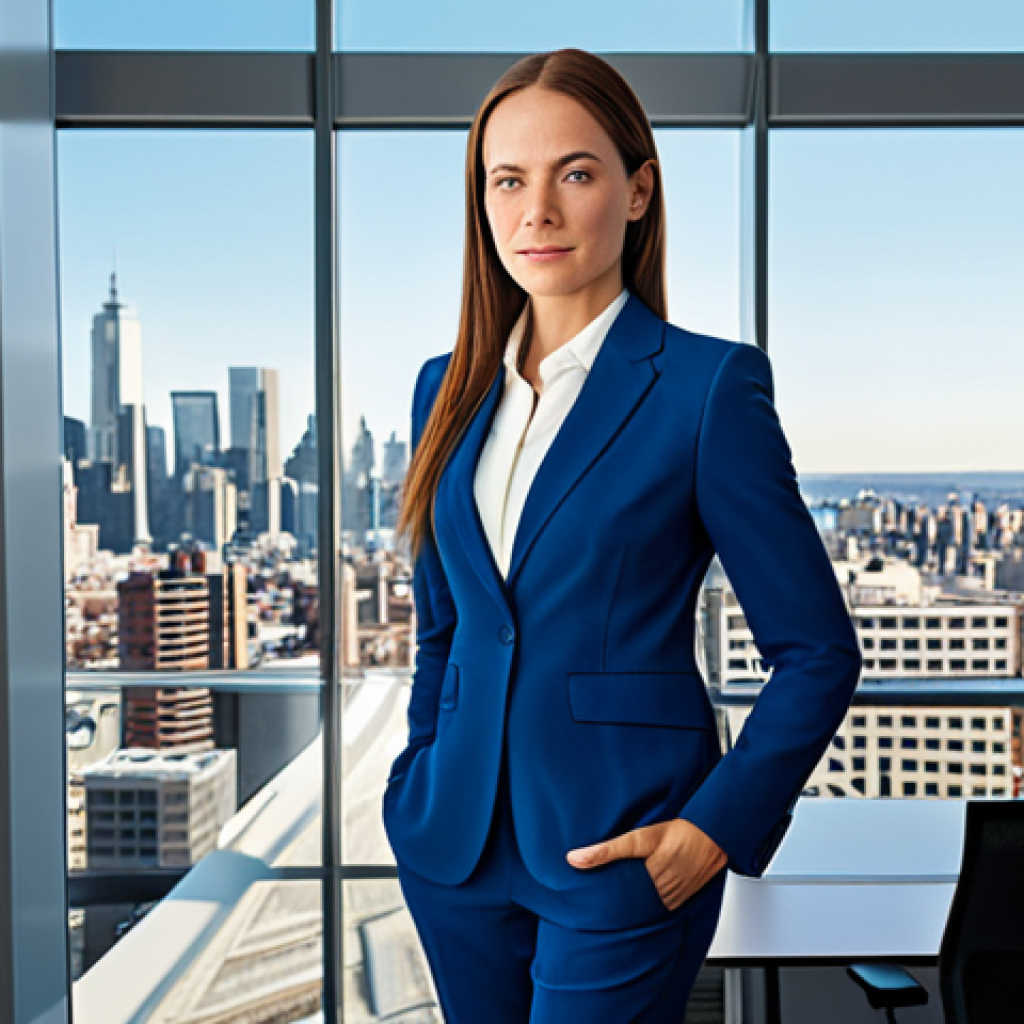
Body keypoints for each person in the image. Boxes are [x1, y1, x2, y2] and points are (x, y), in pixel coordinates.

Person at [382, 47, 863, 1023]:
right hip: (453, 848)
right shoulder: (444, 387)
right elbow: (447, 625)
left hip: (622, 849)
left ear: (638, 190)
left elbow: (818, 651)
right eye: (507, 180)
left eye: (575, 174)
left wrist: (713, 829)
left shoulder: (706, 388)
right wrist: (417, 772)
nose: (536, 212)